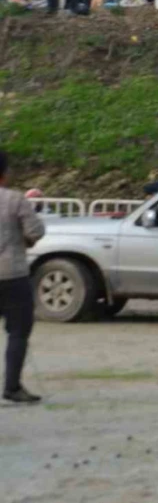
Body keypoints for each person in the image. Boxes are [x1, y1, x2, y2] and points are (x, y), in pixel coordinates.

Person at [0, 151, 46, 405]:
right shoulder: (14, 199)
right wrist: (25, 240)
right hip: (12, 275)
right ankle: (12, 386)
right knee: (18, 331)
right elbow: (35, 230)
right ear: (5, 172)